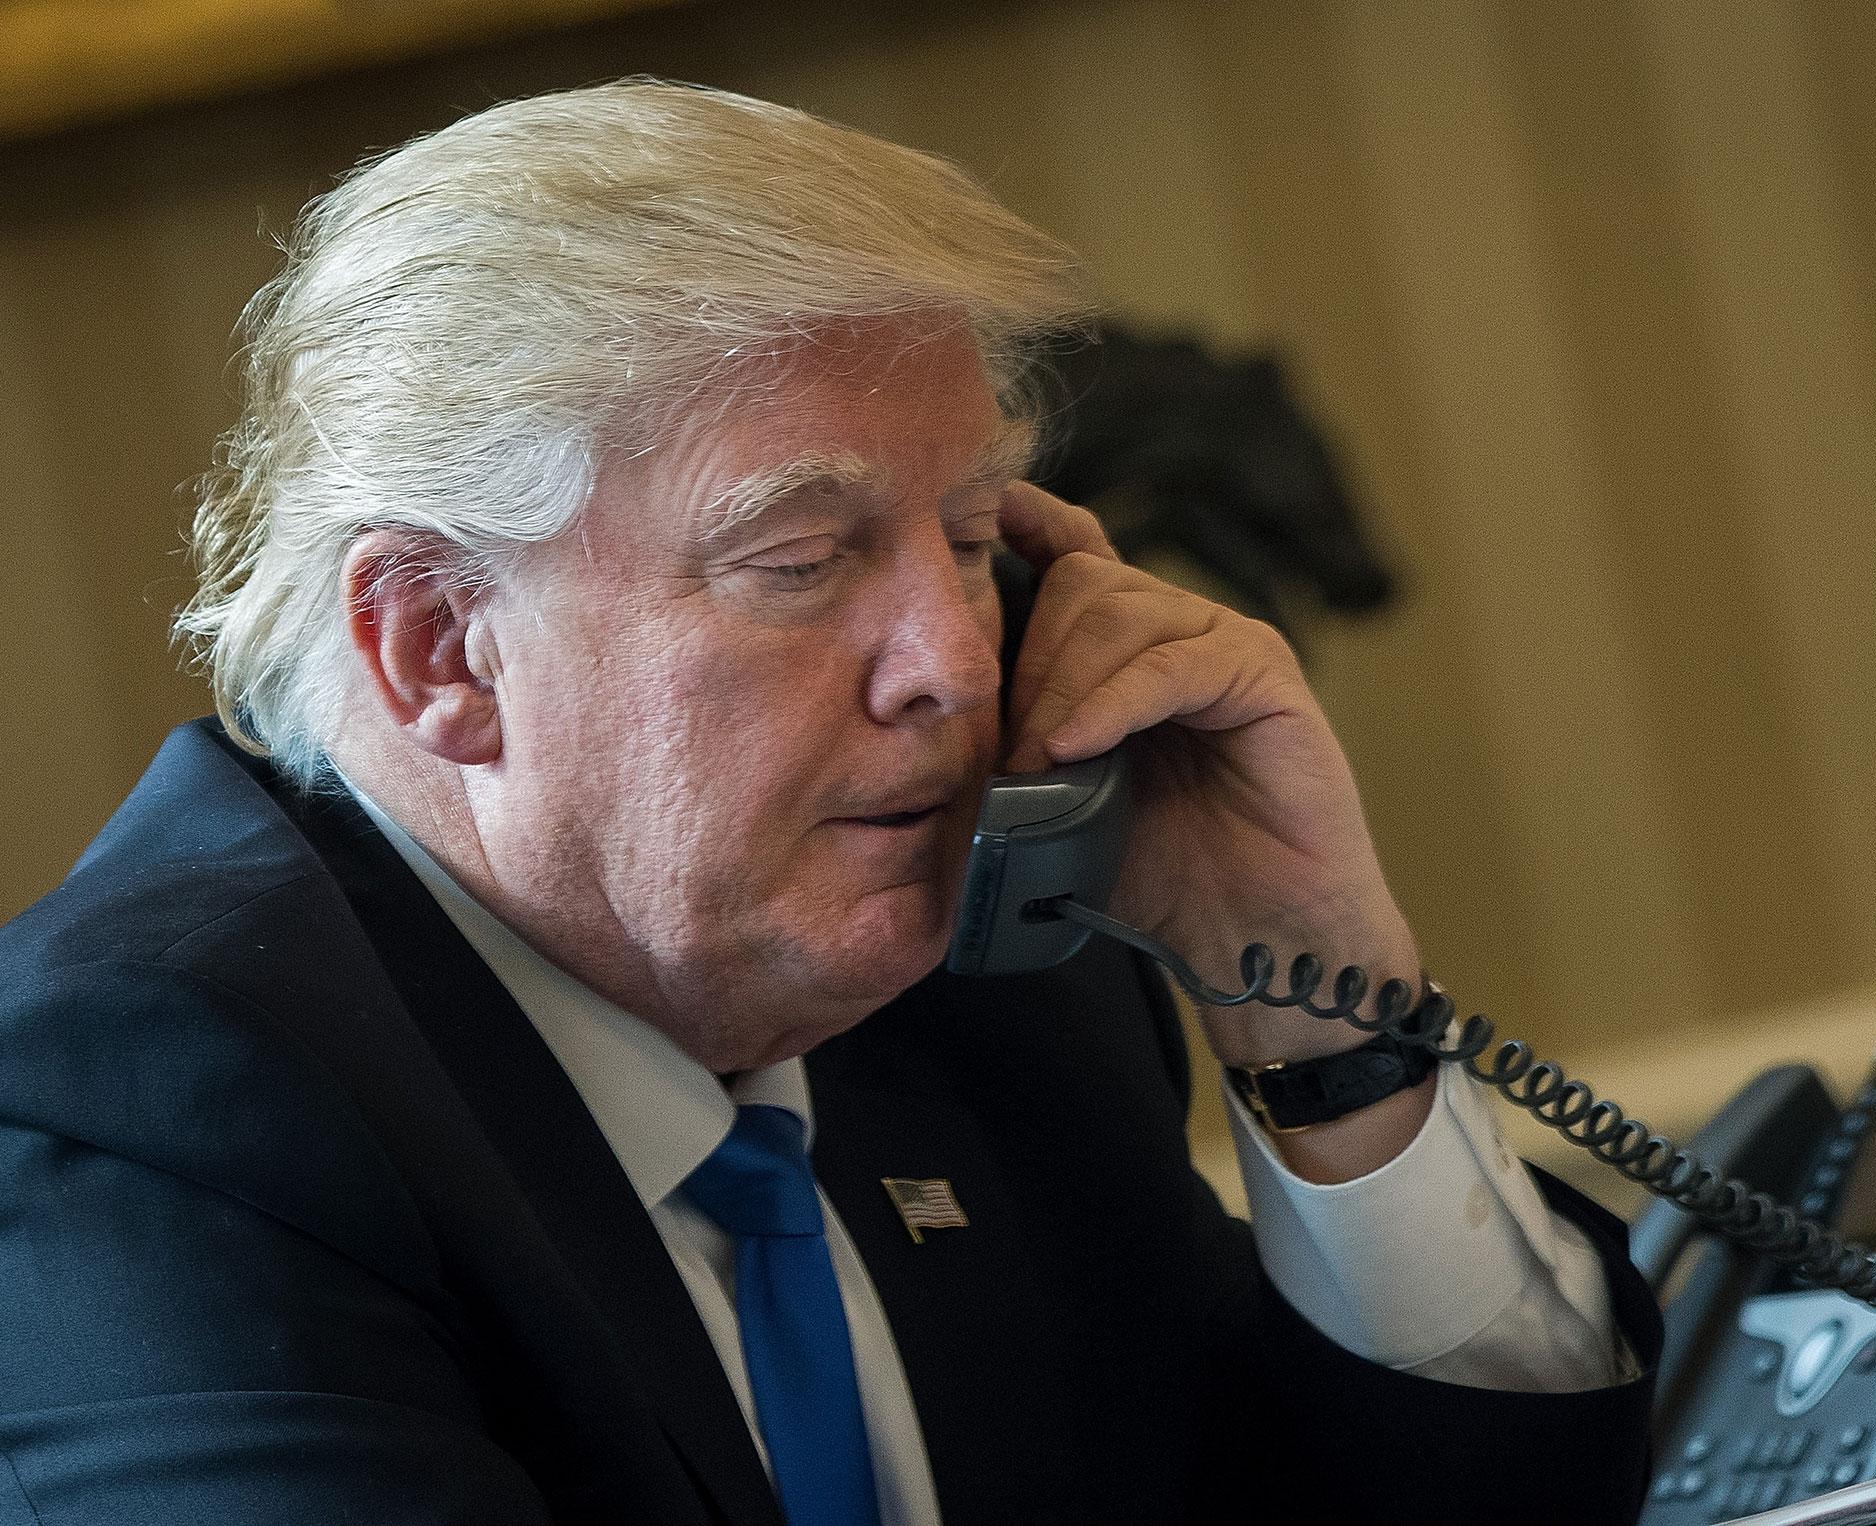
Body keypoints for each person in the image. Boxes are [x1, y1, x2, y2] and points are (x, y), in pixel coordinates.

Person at [0, 81, 1657, 1524]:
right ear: (441, 644)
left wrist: (1313, 1004)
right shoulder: (153, 1118)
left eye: (965, 537)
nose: (953, 658)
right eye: (800, 562)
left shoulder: (989, 994)